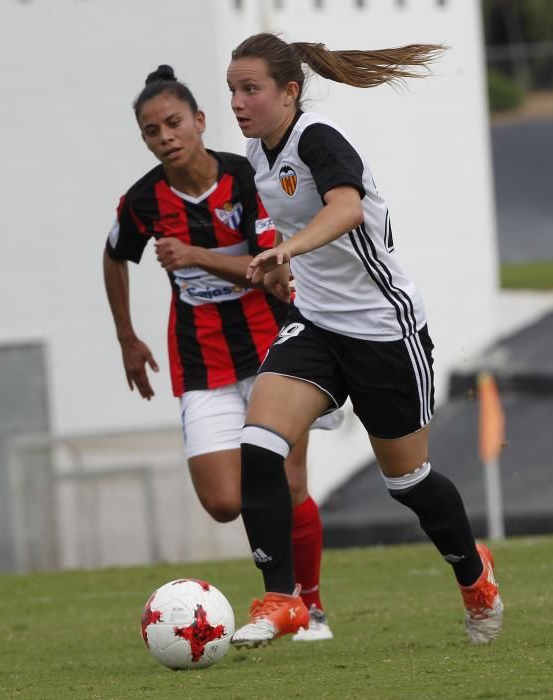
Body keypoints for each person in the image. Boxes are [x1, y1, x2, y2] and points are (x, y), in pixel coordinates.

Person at [225, 33, 504, 648]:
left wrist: (287, 250)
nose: (239, 103)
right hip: (318, 325)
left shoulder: (318, 137)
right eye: (233, 91)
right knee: (257, 443)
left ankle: (473, 573)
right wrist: (279, 267)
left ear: (289, 92)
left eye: (252, 89)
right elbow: (291, 224)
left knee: (407, 482)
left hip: (384, 328)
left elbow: (346, 209)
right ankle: (281, 600)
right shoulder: (257, 151)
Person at [103, 64, 340, 641]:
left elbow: (270, 269)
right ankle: (287, 596)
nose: (165, 137)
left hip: (272, 351)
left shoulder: (245, 179)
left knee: (288, 482)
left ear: (200, 121)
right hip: (200, 359)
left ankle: (307, 606)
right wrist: (127, 338)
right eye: (152, 130)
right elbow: (114, 256)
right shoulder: (143, 201)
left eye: (174, 122)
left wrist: (196, 256)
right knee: (223, 502)